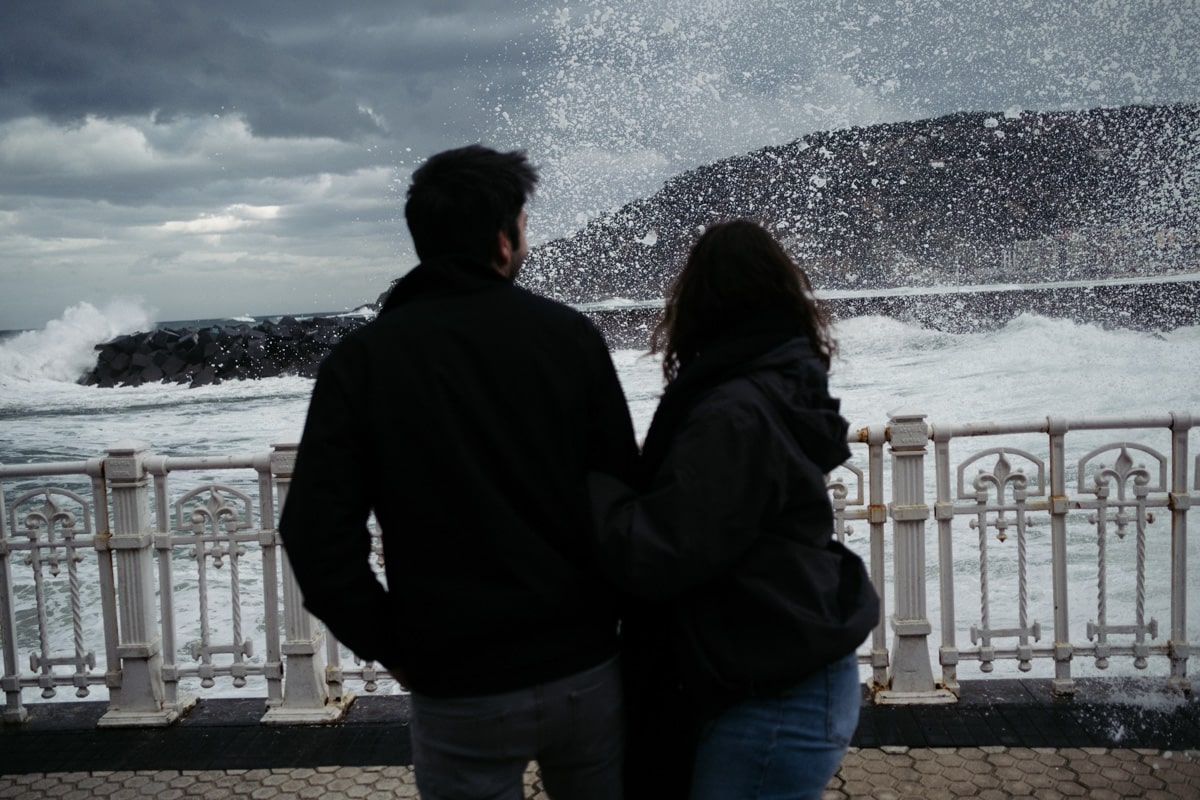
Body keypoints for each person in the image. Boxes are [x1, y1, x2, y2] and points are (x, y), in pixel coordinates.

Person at [279, 144, 638, 800]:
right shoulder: (568, 338)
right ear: (502, 240)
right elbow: (621, 498)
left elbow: (313, 534)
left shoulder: (363, 362)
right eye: (523, 225)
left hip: (459, 684)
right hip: (583, 667)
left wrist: (396, 645)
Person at [589, 219, 880, 800]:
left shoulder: (733, 412)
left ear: (698, 304)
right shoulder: (778, 384)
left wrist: (595, 484)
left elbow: (663, 551)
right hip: (790, 669)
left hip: (776, 695)